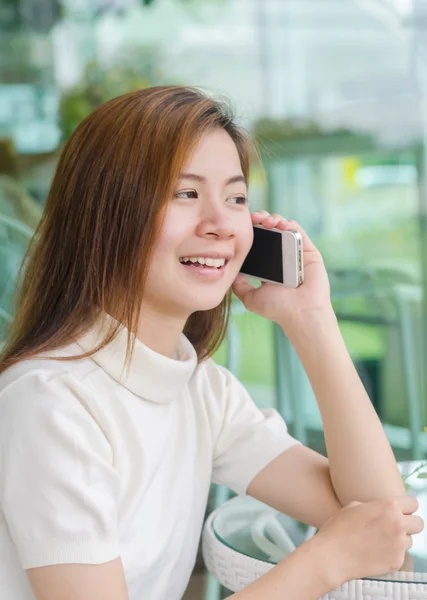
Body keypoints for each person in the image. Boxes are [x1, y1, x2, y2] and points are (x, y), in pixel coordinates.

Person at [0, 86, 423, 600]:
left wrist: (311, 322)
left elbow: (383, 523)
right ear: (104, 214)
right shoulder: (51, 403)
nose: (221, 224)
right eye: (185, 193)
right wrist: (326, 560)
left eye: (237, 198)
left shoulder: (202, 391)